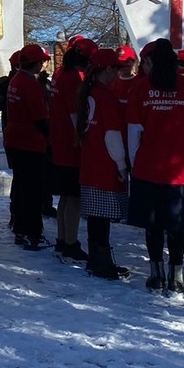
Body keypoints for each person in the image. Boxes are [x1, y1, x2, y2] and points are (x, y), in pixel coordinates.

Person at [126, 39, 184, 294]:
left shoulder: (141, 89)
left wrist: (134, 162)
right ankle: (177, 276)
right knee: (178, 226)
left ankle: (156, 273)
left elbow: (133, 132)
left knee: (153, 224)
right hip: (182, 171)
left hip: (148, 168)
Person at [76, 48, 131, 280]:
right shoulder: (106, 97)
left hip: (90, 161)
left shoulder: (87, 93)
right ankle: (101, 262)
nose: (119, 73)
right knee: (103, 218)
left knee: (96, 218)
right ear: (107, 69)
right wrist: (121, 164)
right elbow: (112, 134)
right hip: (106, 163)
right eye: (117, 69)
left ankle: (97, 259)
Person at [49, 37, 94, 262]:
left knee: (66, 197)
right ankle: (70, 243)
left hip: (59, 140)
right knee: (74, 197)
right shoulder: (76, 79)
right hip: (71, 144)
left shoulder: (59, 75)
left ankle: (61, 239)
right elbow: (76, 113)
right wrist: (82, 137)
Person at [3, 44, 50, 251]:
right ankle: (33, 234)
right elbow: (39, 116)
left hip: (15, 140)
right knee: (33, 191)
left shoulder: (16, 80)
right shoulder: (30, 84)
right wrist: (51, 136)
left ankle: (20, 229)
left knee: (21, 187)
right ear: (37, 63)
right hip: (30, 142)